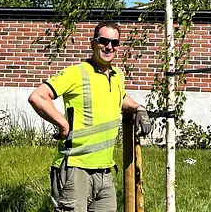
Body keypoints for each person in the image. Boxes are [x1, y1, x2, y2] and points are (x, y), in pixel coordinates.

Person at [29, 21, 151, 212]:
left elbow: (121, 97)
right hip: (75, 169)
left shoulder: (117, 75)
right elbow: (38, 97)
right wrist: (62, 125)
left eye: (114, 42)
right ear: (93, 43)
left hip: (105, 171)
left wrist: (139, 108)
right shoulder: (76, 73)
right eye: (103, 41)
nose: (109, 46)